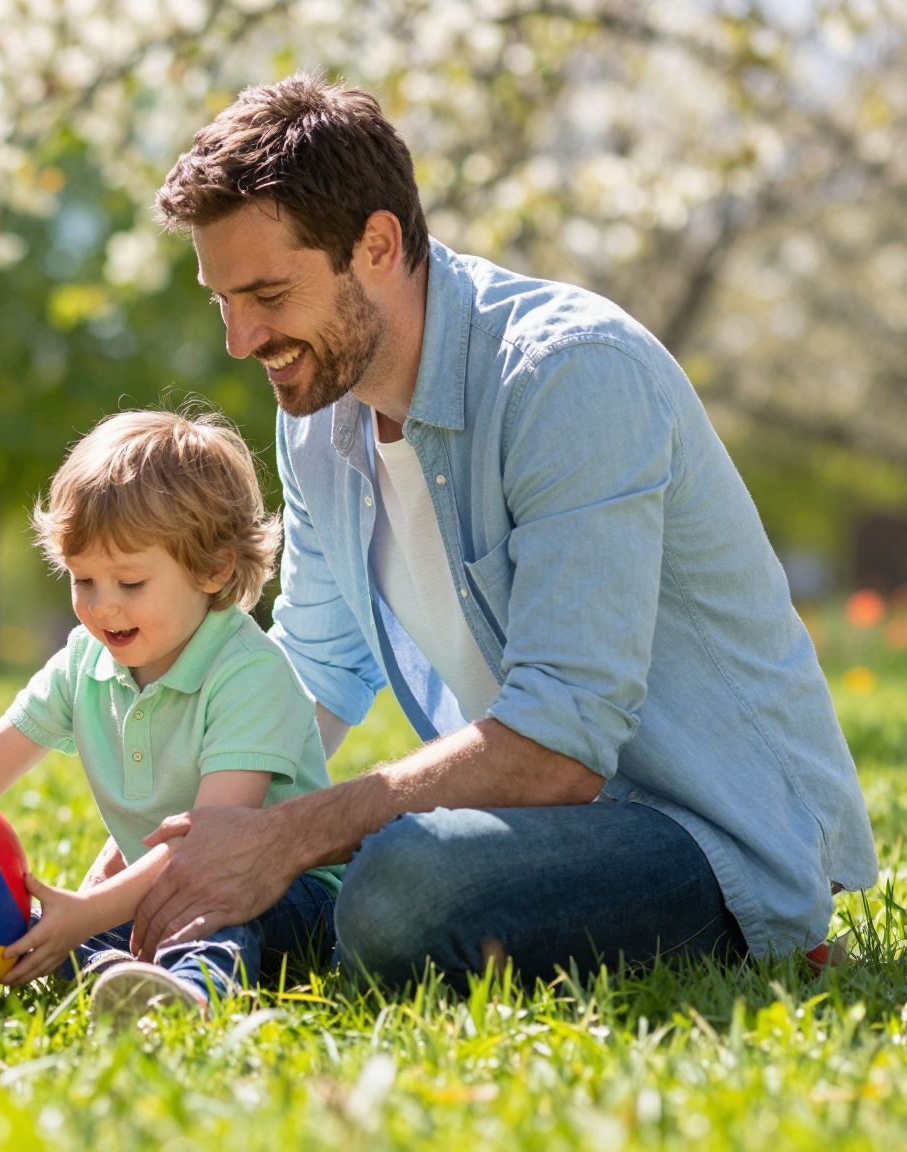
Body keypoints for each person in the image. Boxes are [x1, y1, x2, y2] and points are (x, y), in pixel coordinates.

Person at [123, 75, 874, 981]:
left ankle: (278, 932)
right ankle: (185, 953)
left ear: (377, 245)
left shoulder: (568, 375)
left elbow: (560, 745)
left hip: (712, 839)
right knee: (332, 875)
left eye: (269, 295)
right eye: (222, 302)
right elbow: (311, 675)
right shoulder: (316, 415)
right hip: (537, 830)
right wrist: (176, 841)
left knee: (408, 881)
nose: (240, 341)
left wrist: (282, 837)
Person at [0, 409, 340, 1024]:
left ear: (214, 569)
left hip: (280, 890)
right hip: (158, 889)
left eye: (130, 582)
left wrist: (93, 911)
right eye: (83, 578)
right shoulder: (84, 662)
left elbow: (210, 844)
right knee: (39, 937)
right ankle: (114, 974)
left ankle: (193, 996)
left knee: (212, 912)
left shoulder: (250, 673)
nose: (101, 606)